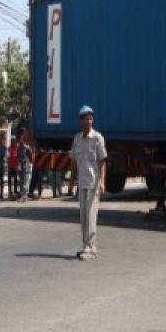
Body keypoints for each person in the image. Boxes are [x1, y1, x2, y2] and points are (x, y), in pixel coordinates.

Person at [70, 105, 107, 260]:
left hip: (93, 183)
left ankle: (91, 248)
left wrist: (102, 181)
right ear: (81, 121)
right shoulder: (77, 139)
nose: (89, 121)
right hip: (82, 183)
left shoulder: (98, 138)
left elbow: (102, 160)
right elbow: (73, 161)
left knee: (91, 216)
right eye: (86, 119)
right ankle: (85, 246)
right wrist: (72, 181)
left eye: (91, 118)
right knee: (83, 217)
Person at [17, 127, 34, 203]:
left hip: (26, 166)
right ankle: (22, 195)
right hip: (21, 166)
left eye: (22, 141)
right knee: (21, 181)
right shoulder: (19, 148)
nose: (21, 142)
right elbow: (17, 157)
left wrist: (30, 164)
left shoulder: (27, 148)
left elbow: (31, 157)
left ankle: (25, 196)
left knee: (26, 181)